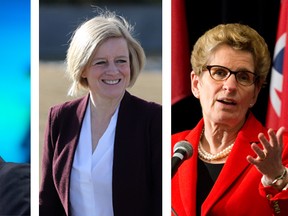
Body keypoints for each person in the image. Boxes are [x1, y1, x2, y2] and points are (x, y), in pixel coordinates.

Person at [39, 10, 162, 216]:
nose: (113, 71)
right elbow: (47, 201)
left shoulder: (154, 119)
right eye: (101, 62)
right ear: (83, 68)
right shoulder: (60, 118)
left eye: (121, 61)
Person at [171, 23, 288, 216]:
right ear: (196, 84)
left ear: (255, 94)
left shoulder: (279, 152)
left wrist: (278, 177)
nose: (230, 86)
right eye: (219, 72)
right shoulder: (169, 149)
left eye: (243, 77)